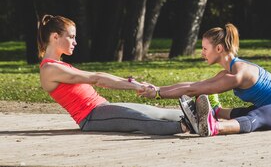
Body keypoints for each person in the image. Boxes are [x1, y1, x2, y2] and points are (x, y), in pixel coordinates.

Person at [37, 14, 200, 135]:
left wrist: (134, 83)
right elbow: (97, 78)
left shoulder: (60, 65)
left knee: (157, 112)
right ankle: (188, 125)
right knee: (141, 120)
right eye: (71, 37)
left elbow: (98, 75)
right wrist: (133, 85)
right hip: (90, 117)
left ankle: (201, 116)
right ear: (55, 37)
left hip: (102, 107)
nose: (75, 42)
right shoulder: (49, 69)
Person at [140, 23, 271, 137]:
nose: (202, 53)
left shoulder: (239, 74)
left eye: (205, 49)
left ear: (218, 48)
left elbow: (193, 90)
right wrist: (157, 88)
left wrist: (158, 94)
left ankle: (214, 126)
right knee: (246, 112)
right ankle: (215, 111)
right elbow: (194, 85)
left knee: (258, 116)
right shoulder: (226, 72)